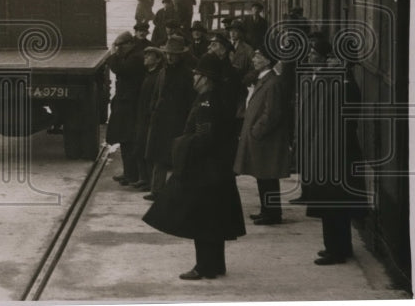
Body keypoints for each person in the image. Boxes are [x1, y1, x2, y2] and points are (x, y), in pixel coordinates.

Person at [143, 55, 245, 280]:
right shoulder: (218, 98)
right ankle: (216, 264)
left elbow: (204, 138)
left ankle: (204, 267)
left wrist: (180, 145)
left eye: (197, 74)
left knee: (203, 221)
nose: (194, 77)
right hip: (218, 170)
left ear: (206, 78)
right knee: (214, 219)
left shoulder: (206, 102)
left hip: (205, 170)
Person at [291, 32, 371, 265]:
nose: (310, 57)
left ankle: (338, 249)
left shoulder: (342, 81)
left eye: (314, 53)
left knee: (336, 204)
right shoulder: (324, 77)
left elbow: (344, 114)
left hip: (337, 152)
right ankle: (336, 246)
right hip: (325, 149)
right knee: (330, 203)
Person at [232, 47, 291, 226]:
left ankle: (272, 214)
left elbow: (272, 113)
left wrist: (256, 130)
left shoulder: (273, 82)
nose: (254, 60)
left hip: (266, 139)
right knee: (263, 176)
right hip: (262, 139)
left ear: (267, 61)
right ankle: (267, 211)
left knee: (268, 177)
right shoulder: (264, 80)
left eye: (258, 57)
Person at [143, 36, 195, 200]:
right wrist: (153, 109)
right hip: (160, 120)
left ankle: (177, 192)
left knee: (177, 158)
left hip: (177, 122)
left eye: (173, 54)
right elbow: (156, 94)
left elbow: (190, 100)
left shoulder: (187, 74)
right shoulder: (163, 72)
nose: (170, 57)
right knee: (159, 157)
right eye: (168, 54)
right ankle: (156, 190)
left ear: (180, 55)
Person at [106, 31, 146, 186]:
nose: (118, 49)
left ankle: (132, 174)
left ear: (129, 44)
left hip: (131, 105)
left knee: (129, 140)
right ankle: (128, 173)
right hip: (126, 103)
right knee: (125, 140)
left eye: (120, 46)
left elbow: (120, 69)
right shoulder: (131, 55)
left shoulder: (135, 58)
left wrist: (113, 55)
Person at [132, 46, 164, 192]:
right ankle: (143, 178)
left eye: (149, 56)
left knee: (147, 148)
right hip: (142, 117)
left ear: (158, 60)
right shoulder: (149, 74)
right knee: (140, 146)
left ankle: (148, 181)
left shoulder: (157, 76)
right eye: (145, 55)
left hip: (149, 117)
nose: (146, 58)